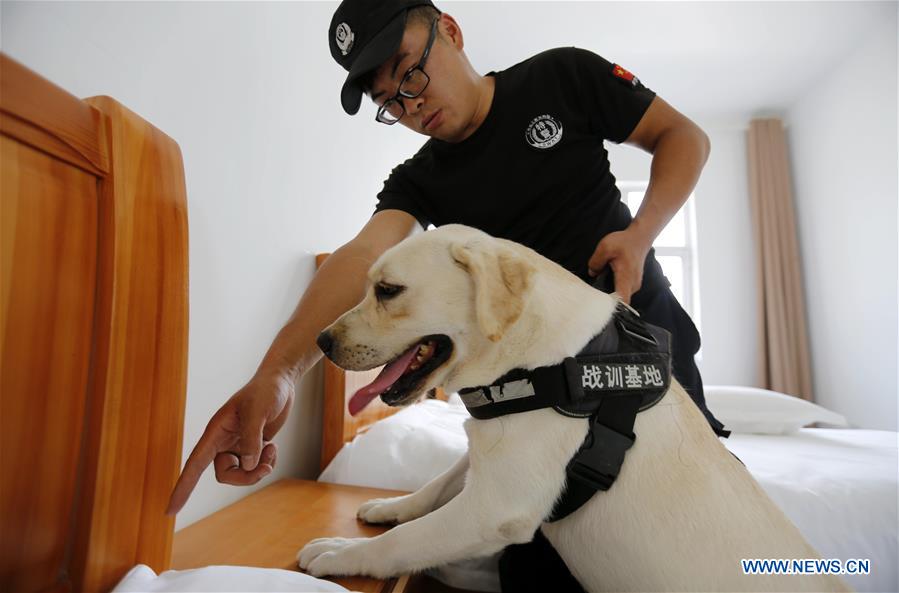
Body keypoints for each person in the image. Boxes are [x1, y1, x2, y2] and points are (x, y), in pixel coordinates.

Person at [167, 0, 730, 590]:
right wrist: (278, 374)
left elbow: (681, 136)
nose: (410, 105)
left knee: (698, 544)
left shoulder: (562, 77)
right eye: (389, 102)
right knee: (542, 572)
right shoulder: (421, 179)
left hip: (635, 358)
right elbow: (360, 260)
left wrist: (640, 236)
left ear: (451, 31)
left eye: (410, 72)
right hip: (533, 396)